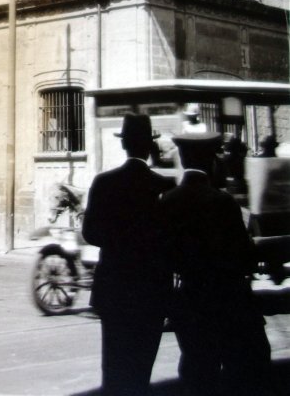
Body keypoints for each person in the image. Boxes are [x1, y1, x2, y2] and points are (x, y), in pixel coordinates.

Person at [159, 132, 272, 396]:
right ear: (211, 160)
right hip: (227, 298)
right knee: (244, 365)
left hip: (189, 298)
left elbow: (164, 252)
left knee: (198, 368)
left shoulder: (169, 200)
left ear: (184, 160)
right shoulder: (222, 201)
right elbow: (243, 255)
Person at [82, 113, 175, 396]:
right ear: (149, 147)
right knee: (142, 367)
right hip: (152, 289)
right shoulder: (164, 187)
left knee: (113, 366)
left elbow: (90, 234)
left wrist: (119, 242)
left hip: (114, 287)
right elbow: (171, 240)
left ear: (124, 146)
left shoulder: (104, 182)